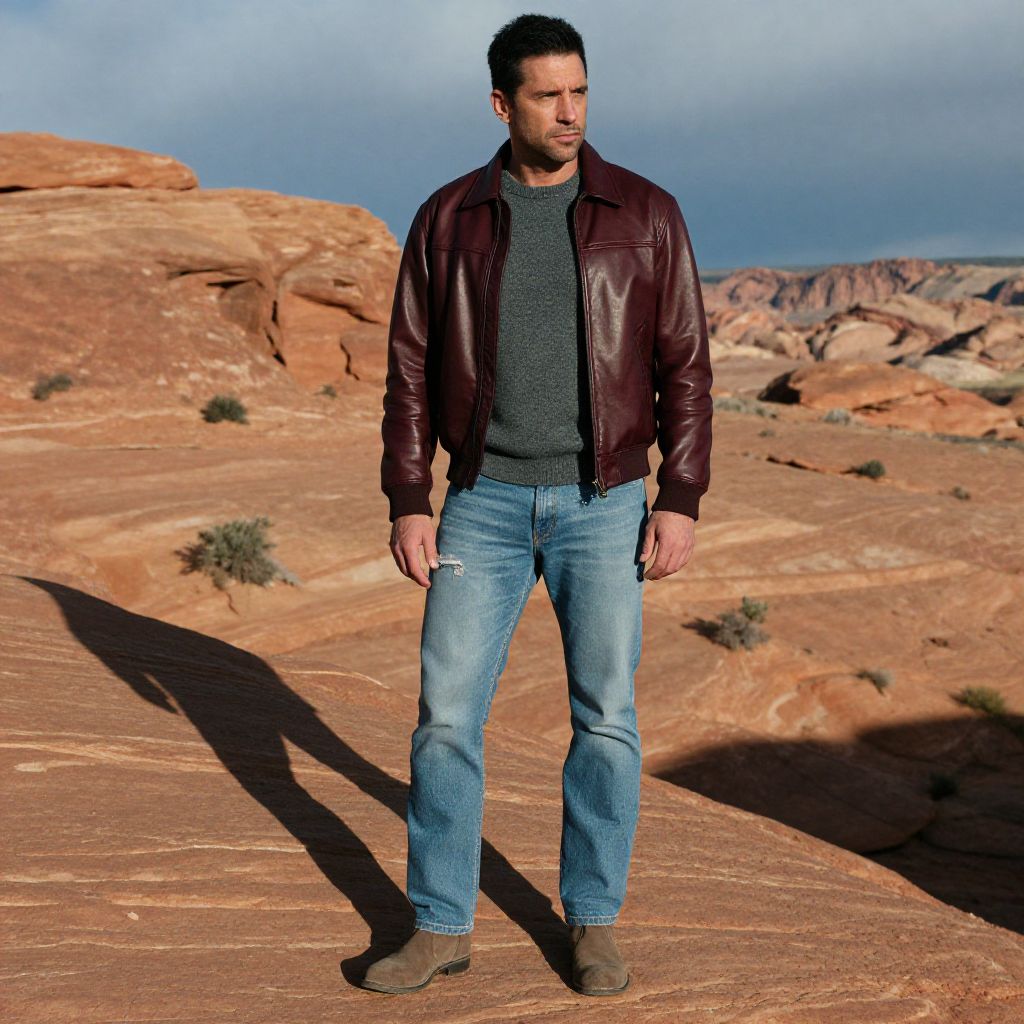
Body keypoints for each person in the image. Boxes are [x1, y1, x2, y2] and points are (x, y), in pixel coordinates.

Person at [365, 12, 712, 997]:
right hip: (479, 501)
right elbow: (408, 368)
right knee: (444, 720)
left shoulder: (644, 212)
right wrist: (408, 495)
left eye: (581, 92)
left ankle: (592, 921)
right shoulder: (449, 218)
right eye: (548, 95)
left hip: (605, 502)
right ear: (501, 105)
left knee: (605, 717)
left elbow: (685, 362)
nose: (570, 112)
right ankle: (439, 924)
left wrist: (678, 494)